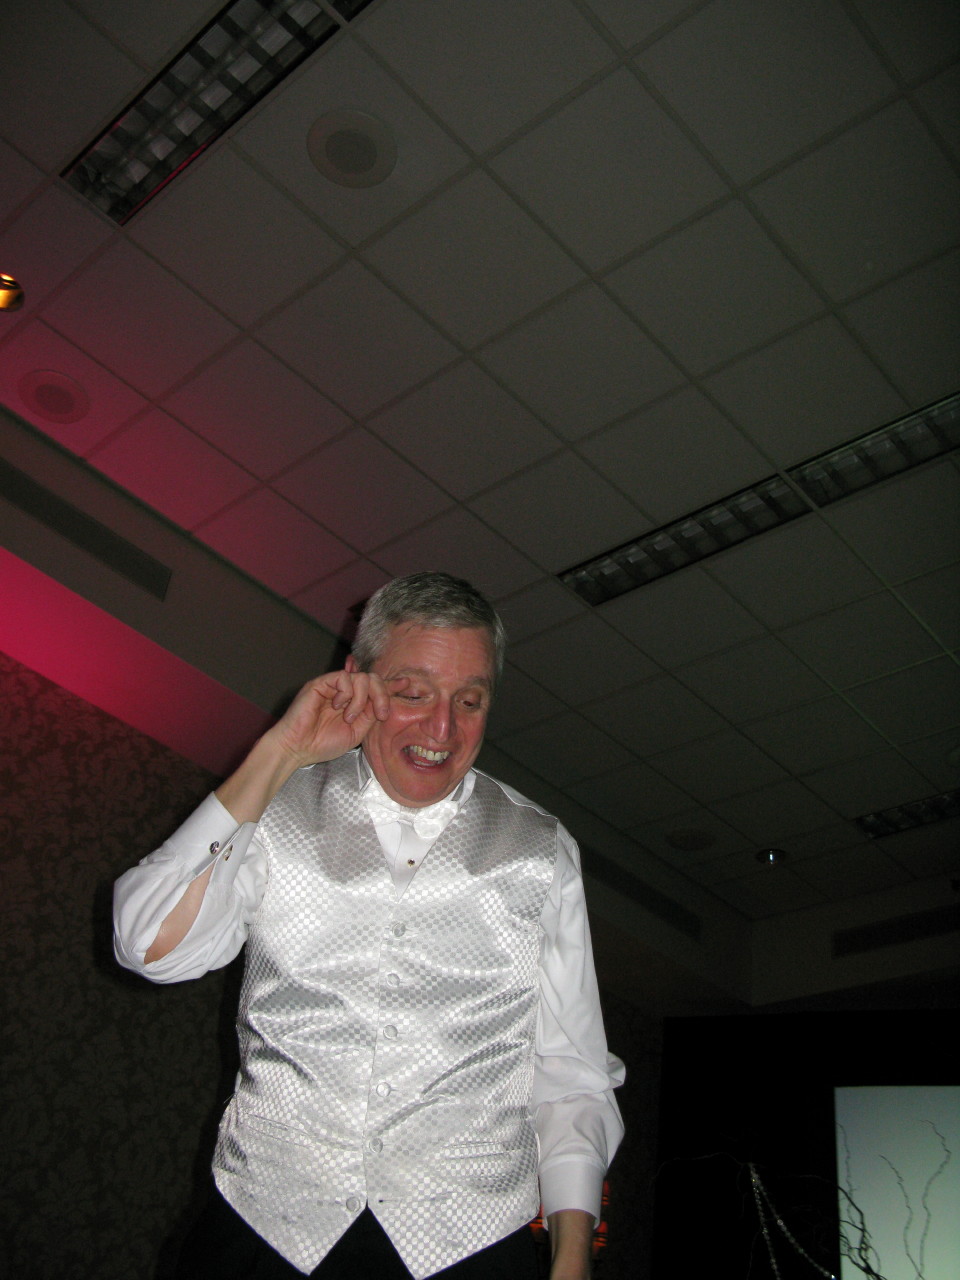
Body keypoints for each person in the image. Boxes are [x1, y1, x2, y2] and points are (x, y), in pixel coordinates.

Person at [114, 572, 624, 1280]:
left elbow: (571, 1076)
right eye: (413, 694)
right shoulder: (272, 811)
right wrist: (280, 754)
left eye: (469, 701)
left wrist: (571, 1258)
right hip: (263, 1232)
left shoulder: (541, 851)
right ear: (358, 681)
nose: (442, 730)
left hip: (467, 1248)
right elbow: (148, 946)